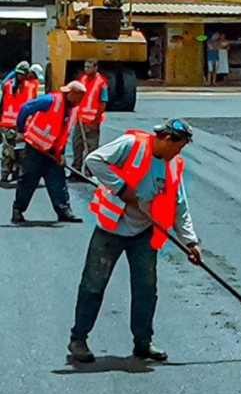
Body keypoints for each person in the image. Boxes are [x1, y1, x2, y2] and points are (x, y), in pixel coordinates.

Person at [68, 118, 202, 364]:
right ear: (167, 139)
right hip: (111, 228)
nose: (179, 152)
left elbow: (179, 206)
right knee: (93, 284)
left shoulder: (173, 166)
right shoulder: (132, 144)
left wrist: (190, 242)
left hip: (143, 231)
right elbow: (93, 160)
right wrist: (120, 188)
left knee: (146, 289)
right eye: (179, 146)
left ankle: (143, 342)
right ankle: (79, 339)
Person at [12, 82, 86, 224]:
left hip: (52, 153)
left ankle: (64, 211)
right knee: (28, 180)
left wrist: (61, 154)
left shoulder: (72, 110)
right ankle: (18, 210)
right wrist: (20, 130)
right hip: (35, 149)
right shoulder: (50, 100)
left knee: (58, 181)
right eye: (79, 97)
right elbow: (25, 108)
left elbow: (64, 133)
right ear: (71, 93)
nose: (80, 100)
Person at [69, 58, 108, 179]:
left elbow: (102, 103)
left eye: (89, 67)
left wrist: (96, 120)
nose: (86, 70)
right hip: (80, 119)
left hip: (92, 121)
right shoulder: (83, 79)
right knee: (77, 145)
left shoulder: (101, 83)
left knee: (91, 147)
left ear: (95, 68)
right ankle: (76, 171)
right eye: (85, 67)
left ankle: (89, 172)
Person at [1, 61, 37, 186]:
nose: (20, 76)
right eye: (18, 74)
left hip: (23, 126)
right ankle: (5, 176)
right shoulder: (8, 85)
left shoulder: (31, 86)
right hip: (7, 124)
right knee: (7, 152)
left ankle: (18, 174)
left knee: (21, 153)